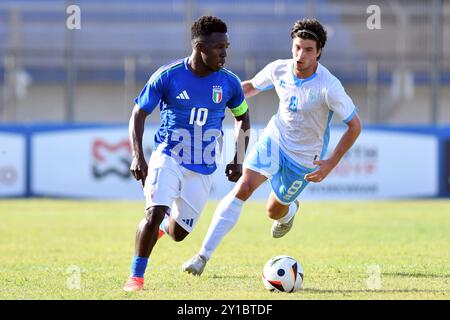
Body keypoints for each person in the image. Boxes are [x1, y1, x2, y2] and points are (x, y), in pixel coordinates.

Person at [182, 18, 362, 276]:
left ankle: (289, 212)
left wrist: (332, 162)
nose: (300, 54)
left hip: (303, 159)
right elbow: (249, 88)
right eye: (297, 47)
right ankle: (202, 257)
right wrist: (214, 99)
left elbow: (355, 125)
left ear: (319, 51)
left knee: (273, 211)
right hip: (274, 139)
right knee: (242, 187)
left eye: (308, 49)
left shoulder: (329, 87)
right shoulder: (279, 69)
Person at [123, 15, 250, 291]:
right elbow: (139, 113)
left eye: (227, 47)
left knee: (178, 233)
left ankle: (164, 225)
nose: (225, 54)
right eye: (219, 48)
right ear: (200, 47)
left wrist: (238, 158)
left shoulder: (229, 83)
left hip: (203, 167)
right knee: (154, 211)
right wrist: (137, 155)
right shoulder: (168, 76)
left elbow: (243, 118)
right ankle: (135, 278)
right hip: (168, 155)